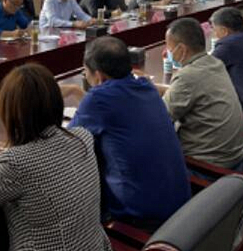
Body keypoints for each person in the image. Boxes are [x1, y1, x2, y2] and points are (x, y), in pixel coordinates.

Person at [0, 64, 111, 251]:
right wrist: (15, 150)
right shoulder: (83, 137)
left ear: (11, 113)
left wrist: (10, 157)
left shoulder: (17, 164)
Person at [63, 37, 191, 229]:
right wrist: (78, 92)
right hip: (181, 206)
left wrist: (74, 91)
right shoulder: (146, 87)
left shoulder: (98, 99)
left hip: (141, 218)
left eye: (86, 73)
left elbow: (66, 145)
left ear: (99, 77)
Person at [153, 18, 243, 169]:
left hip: (207, 166)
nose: (167, 52)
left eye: (169, 47)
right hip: (233, 157)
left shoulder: (187, 76)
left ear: (182, 49)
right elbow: (188, 92)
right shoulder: (214, 63)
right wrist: (154, 88)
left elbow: (160, 119)